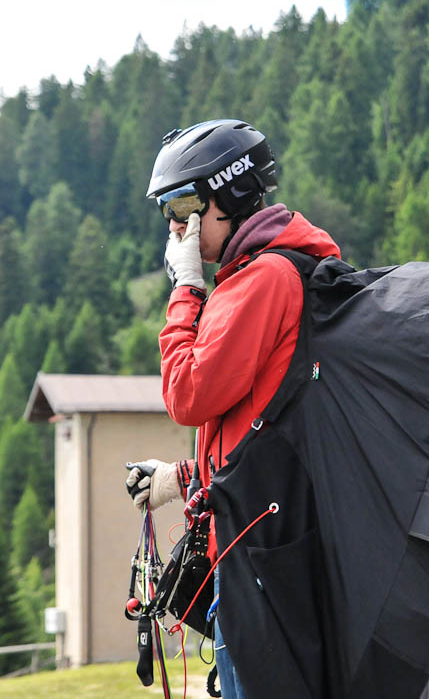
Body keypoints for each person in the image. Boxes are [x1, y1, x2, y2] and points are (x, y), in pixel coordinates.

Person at [126, 119, 339, 699]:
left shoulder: (263, 279)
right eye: (167, 210)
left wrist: (186, 289)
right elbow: (261, 425)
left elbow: (187, 394)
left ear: (231, 196)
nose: (175, 225)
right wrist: (180, 478)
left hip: (260, 566)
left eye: (183, 205)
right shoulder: (268, 272)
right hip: (262, 551)